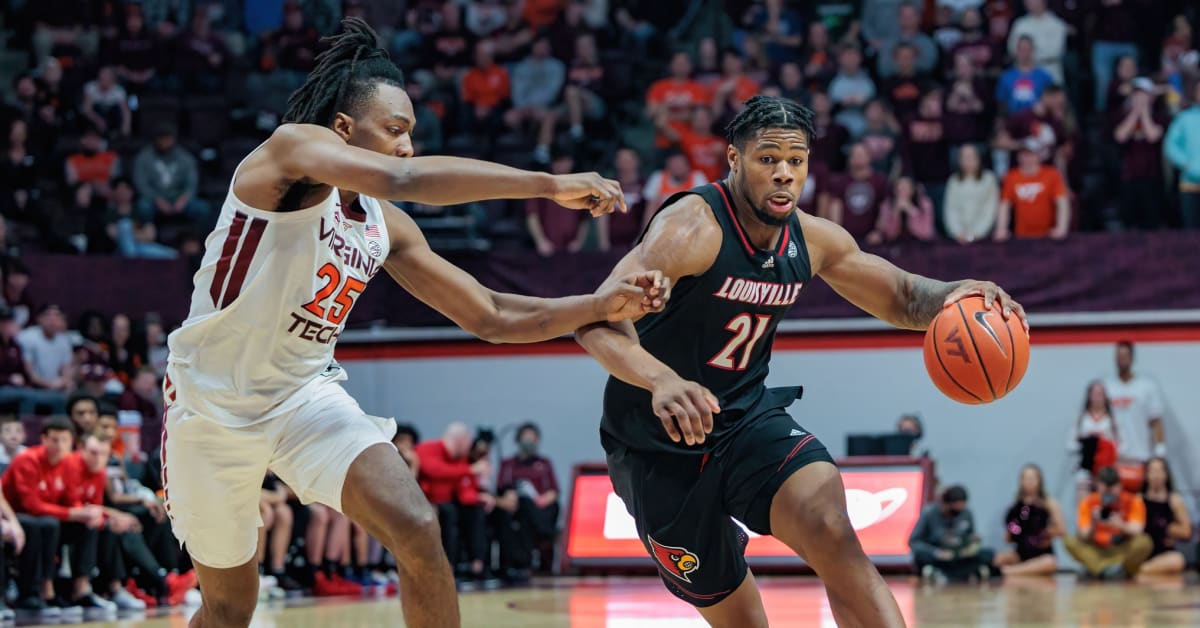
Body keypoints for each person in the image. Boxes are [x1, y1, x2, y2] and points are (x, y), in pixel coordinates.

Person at [161, 18, 664, 628]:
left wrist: (597, 305)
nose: (406, 146)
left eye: (411, 134)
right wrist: (548, 184)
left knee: (418, 526)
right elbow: (406, 179)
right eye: (395, 130)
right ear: (344, 130)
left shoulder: (384, 226)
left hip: (304, 397)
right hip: (212, 406)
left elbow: (492, 314)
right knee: (229, 609)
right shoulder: (289, 152)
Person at [576, 95, 1027, 627]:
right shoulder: (691, 228)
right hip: (655, 442)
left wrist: (959, 293)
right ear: (734, 159)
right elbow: (596, 318)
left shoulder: (810, 240)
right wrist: (662, 380)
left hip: (744, 421)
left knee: (832, 530)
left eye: (797, 160)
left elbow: (904, 297)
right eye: (769, 160)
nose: (785, 174)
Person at [1064, 466, 1153, 579]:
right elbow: (1084, 535)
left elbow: (1137, 530)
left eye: (1112, 488)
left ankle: (1097, 569)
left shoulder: (1133, 501)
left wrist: (1120, 525)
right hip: (1097, 549)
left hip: (1122, 549)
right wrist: (1093, 523)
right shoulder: (1089, 503)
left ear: (1120, 486)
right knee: (1070, 541)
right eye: (1105, 488)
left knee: (1144, 542)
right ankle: (1108, 569)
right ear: (1098, 486)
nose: (1109, 493)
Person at [909, 485, 993, 583]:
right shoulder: (929, 513)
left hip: (959, 555)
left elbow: (971, 537)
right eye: (956, 508)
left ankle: (945, 573)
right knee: (920, 555)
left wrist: (973, 544)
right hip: (938, 556)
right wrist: (936, 553)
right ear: (946, 504)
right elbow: (914, 542)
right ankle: (945, 572)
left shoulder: (966, 513)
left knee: (988, 554)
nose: (959, 511)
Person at [993, 464, 1065, 576]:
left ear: (1039, 480)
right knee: (998, 558)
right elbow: (1008, 538)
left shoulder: (1049, 503)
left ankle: (1008, 571)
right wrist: (1014, 529)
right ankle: (1020, 569)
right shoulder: (1016, 507)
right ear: (1021, 481)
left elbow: (1062, 530)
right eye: (1026, 478)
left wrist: (1045, 534)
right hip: (1021, 552)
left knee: (1050, 562)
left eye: (1032, 478)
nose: (1029, 482)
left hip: (1041, 553)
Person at [1103, 341, 1166, 466]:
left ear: (1132, 358)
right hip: (1114, 459)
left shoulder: (1147, 386)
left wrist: (1160, 449)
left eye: (1125, 356)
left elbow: (1156, 421)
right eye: (1119, 356)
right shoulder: (1106, 387)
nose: (1122, 359)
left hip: (1141, 456)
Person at [993, 141, 1070, 241]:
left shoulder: (1052, 174)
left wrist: (1062, 228)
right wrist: (1001, 229)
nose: (1027, 158)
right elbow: (1005, 205)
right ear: (1018, 157)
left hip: (1048, 236)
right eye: (1024, 154)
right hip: (1021, 237)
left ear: (1039, 156)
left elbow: (1062, 202)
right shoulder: (1012, 177)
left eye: (1031, 154)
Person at [1138, 457, 1192, 576]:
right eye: (1153, 471)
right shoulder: (1139, 499)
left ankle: (1140, 571)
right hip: (1142, 549)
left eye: (1160, 471)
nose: (1156, 476)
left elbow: (1187, 531)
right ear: (1147, 475)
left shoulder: (1174, 499)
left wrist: (1168, 528)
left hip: (1163, 552)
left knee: (1177, 560)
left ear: (1166, 475)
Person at [943, 144, 999, 244]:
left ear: (978, 158)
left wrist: (976, 234)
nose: (968, 160)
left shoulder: (989, 179)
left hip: (984, 238)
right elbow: (951, 210)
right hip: (958, 239)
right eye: (964, 157)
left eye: (971, 156)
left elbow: (990, 210)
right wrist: (958, 233)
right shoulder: (953, 181)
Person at [1164, 81, 1200, 229]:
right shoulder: (1184, 118)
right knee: (1191, 233)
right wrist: (1186, 164)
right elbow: (1170, 146)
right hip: (1189, 185)